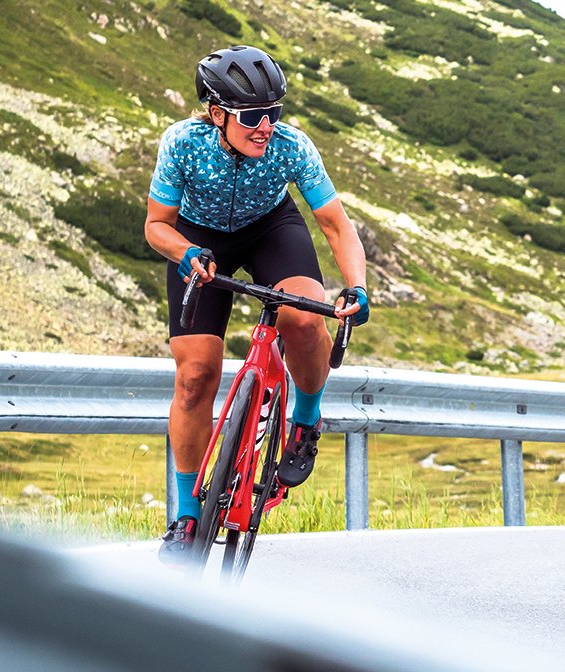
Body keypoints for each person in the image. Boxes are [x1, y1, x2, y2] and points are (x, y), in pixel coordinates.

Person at [145, 45, 369, 563]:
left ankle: (305, 420)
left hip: (272, 230)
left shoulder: (292, 146)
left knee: (305, 318)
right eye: (253, 116)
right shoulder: (181, 143)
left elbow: (336, 225)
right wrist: (186, 251)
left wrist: (356, 286)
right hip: (199, 240)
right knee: (195, 376)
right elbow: (156, 227)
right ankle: (186, 516)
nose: (266, 126)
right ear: (217, 113)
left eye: (274, 113)